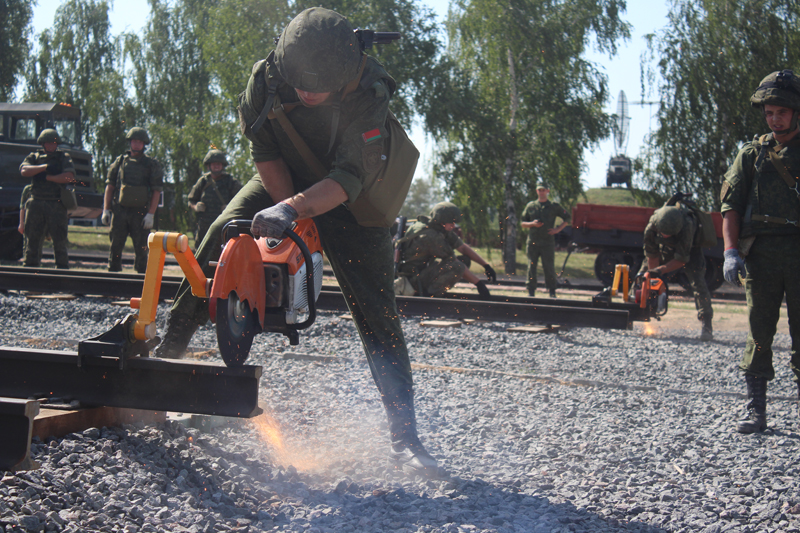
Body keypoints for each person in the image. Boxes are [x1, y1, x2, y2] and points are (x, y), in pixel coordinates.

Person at [154, 7, 443, 477]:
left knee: (377, 311)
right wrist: (284, 208)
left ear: (344, 73)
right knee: (213, 241)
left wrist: (293, 211)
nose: (305, 92)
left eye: (317, 87)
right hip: (284, 182)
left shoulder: (369, 90)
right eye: (299, 83)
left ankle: (405, 437)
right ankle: (166, 363)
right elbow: (264, 149)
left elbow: (348, 178)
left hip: (351, 197)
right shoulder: (267, 78)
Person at [720, 69, 800, 434]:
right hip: (762, 254)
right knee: (758, 332)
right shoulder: (751, 154)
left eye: (781, 111)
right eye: (769, 112)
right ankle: (756, 409)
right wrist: (731, 251)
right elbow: (731, 208)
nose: (774, 118)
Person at [638, 203, 714, 341]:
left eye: (669, 234)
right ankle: (635, 311)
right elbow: (652, 256)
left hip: (690, 251)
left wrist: (662, 269)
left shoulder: (687, 226)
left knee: (699, 284)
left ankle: (706, 324)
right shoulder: (651, 227)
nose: (666, 235)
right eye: (664, 233)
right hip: (664, 249)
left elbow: (682, 259)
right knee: (643, 276)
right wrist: (653, 278)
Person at [395, 202, 496, 298]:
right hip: (411, 279)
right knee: (458, 267)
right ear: (441, 221)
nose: (453, 225)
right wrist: (479, 284)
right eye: (451, 222)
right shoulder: (431, 236)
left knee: (464, 260)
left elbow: (462, 248)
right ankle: (431, 296)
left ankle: (428, 292)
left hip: (418, 273)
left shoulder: (435, 226)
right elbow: (454, 261)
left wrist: (486, 266)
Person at [101, 127, 163, 273]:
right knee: (115, 246)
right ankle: (113, 278)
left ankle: (141, 283)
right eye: (134, 141)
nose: (136, 144)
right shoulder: (120, 161)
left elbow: (156, 191)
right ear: (130, 142)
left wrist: (151, 214)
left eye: (139, 142)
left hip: (141, 212)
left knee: (142, 249)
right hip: (120, 211)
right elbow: (110, 186)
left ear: (144, 144)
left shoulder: (151, 164)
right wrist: (106, 209)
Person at [18, 128, 76, 269]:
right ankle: (31, 279)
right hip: (36, 203)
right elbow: (24, 170)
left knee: (60, 243)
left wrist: (49, 177)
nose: (51, 146)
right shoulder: (34, 156)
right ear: (43, 144)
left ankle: (62, 276)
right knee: (32, 242)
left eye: (53, 143)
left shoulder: (63, 157)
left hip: (56, 203)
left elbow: (69, 176)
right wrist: (44, 167)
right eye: (48, 143)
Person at [520, 185, 571, 297]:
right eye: (539, 190)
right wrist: (532, 224)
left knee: (548, 267)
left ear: (547, 191)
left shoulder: (553, 206)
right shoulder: (531, 206)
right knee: (531, 266)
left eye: (543, 190)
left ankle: (552, 290)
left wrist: (557, 229)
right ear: (536, 191)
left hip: (547, 242)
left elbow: (567, 217)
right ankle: (531, 291)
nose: (541, 192)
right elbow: (523, 223)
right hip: (533, 242)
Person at [187, 149, 242, 247]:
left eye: (219, 164)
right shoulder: (203, 181)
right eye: (214, 164)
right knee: (201, 253)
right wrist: (195, 207)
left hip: (224, 226)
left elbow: (242, 200)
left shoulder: (231, 182)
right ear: (209, 166)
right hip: (204, 227)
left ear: (223, 165)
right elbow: (191, 200)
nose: (216, 166)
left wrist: (230, 208)